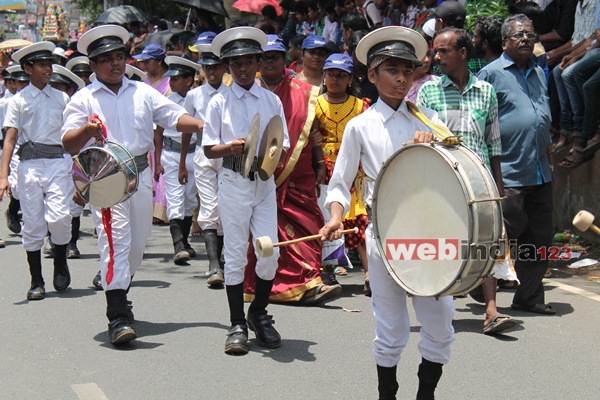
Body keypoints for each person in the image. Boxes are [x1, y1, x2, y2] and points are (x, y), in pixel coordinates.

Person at [320, 26, 455, 400]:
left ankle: (425, 395)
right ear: (371, 75)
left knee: (440, 322)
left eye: (406, 70)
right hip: (383, 235)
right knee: (391, 327)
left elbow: (458, 174)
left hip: (430, 236)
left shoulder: (430, 122)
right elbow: (339, 182)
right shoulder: (359, 126)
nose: (400, 78)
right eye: (391, 70)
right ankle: (387, 396)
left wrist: (434, 148)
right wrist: (334, 217)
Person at [61, 25, 204, 345]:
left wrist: (200, 124)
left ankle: (120, 291)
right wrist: (87, 131)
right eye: (106, 59)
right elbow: (69, 144)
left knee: (135, 249)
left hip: (138, 178)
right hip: (104, 180)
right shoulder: (83, 99)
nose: (115, 64)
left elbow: (174, 117)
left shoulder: (142, 92)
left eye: (120, 57)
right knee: (114, 244)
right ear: (93, 64)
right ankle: (117, 316)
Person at [417, 27, 515, 335]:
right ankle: (440, 308)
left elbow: (494, 141)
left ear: (462, 53)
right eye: (435, 51)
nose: (437, 57)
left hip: (480, 178)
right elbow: (421, 140)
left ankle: (491, 310)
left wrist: (498, 185)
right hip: (444, 180)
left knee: (486, 241)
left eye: (444, 51)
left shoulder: (486, 91)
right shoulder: (427, 91)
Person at [202, 27, 290, 355]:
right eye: (235, 63)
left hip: (263, 183)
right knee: (236, 254)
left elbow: (282, 143)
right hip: (234, 182)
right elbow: (209, 149)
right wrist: (231, 147)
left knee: (270, 251)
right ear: (226, 66)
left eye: (248, 61)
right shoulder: (217, 103)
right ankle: (237, 321)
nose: (242, 69)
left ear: (258, 62)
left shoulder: (270, 100)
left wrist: (271, 155)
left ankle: (259, 312)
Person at [243, 35, 340, 305]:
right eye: (264, 57)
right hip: (257, 175)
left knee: (308, 222)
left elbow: (315, 132)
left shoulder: (305, 92)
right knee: (262, 234)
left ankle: (310, 280)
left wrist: (320, 163)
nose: (269, 62)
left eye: (275, 56)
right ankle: (263, 285)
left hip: (299, 172)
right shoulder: (249, 92)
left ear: (285, 58)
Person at [478, 14, 555, 315]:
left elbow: (541, 116)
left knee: (540, 237)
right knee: (501, 234)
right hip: (507, 171)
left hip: (540, 169)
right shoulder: (491, 74)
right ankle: (478, 286)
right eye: (519, 35)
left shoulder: (538, 71)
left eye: (530, 34)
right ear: (504, 42)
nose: (526, 39)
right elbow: (479, 119)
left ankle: (529, 296)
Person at [0, 42, 72, 301]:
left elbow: (70, 136)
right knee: (33, 223)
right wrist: (3, 176)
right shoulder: (18, 101)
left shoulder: (62, 97)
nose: (48, 69)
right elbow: (10, 139)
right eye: (42, 65)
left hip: (57, 162)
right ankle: (36, 279)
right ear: (28, 69)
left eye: (50, 64)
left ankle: (61, 259)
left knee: (61, 217)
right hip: (29, 165)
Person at [315, 53, 370, 292]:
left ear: (350, 79)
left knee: (360, 223)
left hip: (354, 172)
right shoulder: (314, 105)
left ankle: (370, 274)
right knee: (327, 220)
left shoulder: (361, 106)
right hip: (324, 170)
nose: (334, 79)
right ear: (323, 77)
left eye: (341, 75)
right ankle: (327, 273)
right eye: (330, 74)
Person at [182, 31, 228, 286]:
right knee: (209, 207)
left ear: (223, 67)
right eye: (207, 67)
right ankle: (213, 265)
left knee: (226, 206)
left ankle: (224, 259)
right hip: (203, 155)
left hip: (227, 154)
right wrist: (182, 163)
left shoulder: (230, 93)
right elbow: (186, 129)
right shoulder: (194, 95)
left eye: (216, 67)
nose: (212, 72)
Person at [154, 56, 200, 265]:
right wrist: (157, 160)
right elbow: (159, 133)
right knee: (175, 197)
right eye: (170, 79)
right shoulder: (168, 101)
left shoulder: (198, 98)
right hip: (172, 154)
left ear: (189, 80)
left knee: (190, 199)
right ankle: (178, 244)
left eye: (177, 79)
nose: (172, 83)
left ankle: (185, 241)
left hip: (195, 153)